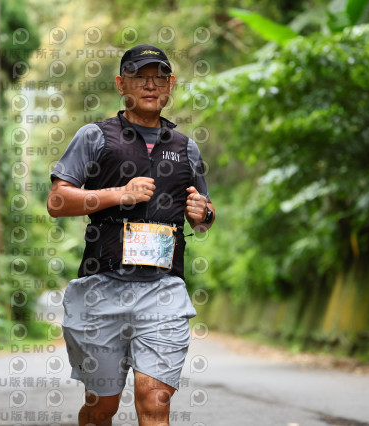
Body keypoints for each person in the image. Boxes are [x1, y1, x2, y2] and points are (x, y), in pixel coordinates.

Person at [47, 43, 215, 426]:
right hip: (101, 288)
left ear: (170, 84)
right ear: (121, 84)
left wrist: (203, 213)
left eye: (159, 77)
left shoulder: (186, 149)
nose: (150, 85)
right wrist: (119, 194)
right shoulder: (95, 136)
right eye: (140, 77)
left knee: (154, 401)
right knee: (101, 407)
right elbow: (57, 200)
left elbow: (203, 217)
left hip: (162, 291)